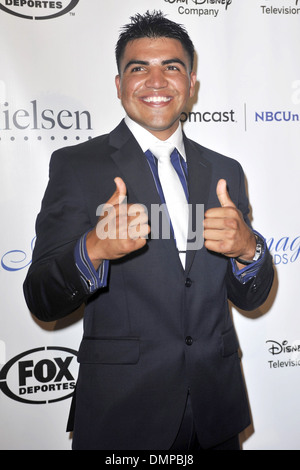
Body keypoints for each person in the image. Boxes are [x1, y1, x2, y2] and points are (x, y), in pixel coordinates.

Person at [23, 11, 274, 451]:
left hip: (216, 411)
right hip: (123, 414)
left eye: (172, 67)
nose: (156, 81)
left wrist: (248, 249)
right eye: (139, 68)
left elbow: (251, 297)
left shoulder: (224, 170)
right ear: (119, 85)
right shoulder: (77, 166)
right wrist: (94, 249)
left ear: (191, 84)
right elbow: (42, 298)